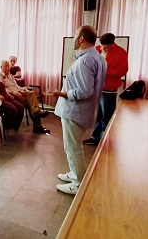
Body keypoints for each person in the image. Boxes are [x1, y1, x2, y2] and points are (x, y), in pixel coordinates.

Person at [48, 25, 107, 195]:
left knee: (73, 148)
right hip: (83, 111)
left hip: (75, 111)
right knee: (73, 146)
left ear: (81, 38)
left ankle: (78, 183)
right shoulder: (98, 57)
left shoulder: (85, 61)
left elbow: (84, 91)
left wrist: (60, 93)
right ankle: (75, 173)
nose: (73, 38)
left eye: (75, 35)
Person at [84, 32, 129, 146]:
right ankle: (95, 137)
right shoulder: (97, 49)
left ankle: (105, 139)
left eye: (107, 47)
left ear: (113, 43)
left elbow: (123, 70)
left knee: (106, 115)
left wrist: (104, 71)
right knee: (97, 114)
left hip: (109, 89)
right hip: (96, 88)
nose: (104, 49)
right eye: (103, 46)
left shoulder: (121, 52)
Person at [0, 60, 50, 134]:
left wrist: (22, 89)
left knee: (31, 93)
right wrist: (14, 93)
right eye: (5, 66)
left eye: (8, 66)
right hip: (12, 95)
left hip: (19, 91)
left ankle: (36, 113)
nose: (7, 67)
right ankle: (38, 126)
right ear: (1, 67)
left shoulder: (10, 75)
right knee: (31, 104)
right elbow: (3, 89)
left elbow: (16, 85)